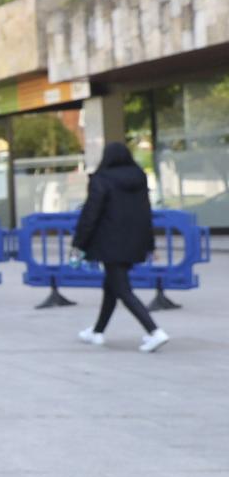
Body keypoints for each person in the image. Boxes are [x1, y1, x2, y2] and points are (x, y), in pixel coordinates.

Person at [73, 141, 170, 352]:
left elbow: (91, 213)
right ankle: (97, 332)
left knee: (123, 290)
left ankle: (154, 331)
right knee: (111, 287)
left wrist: (78, 243)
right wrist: (150, 245)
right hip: (135, 242)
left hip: (109, 243)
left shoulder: (102, 179)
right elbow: (146, 213)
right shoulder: (139, 177)